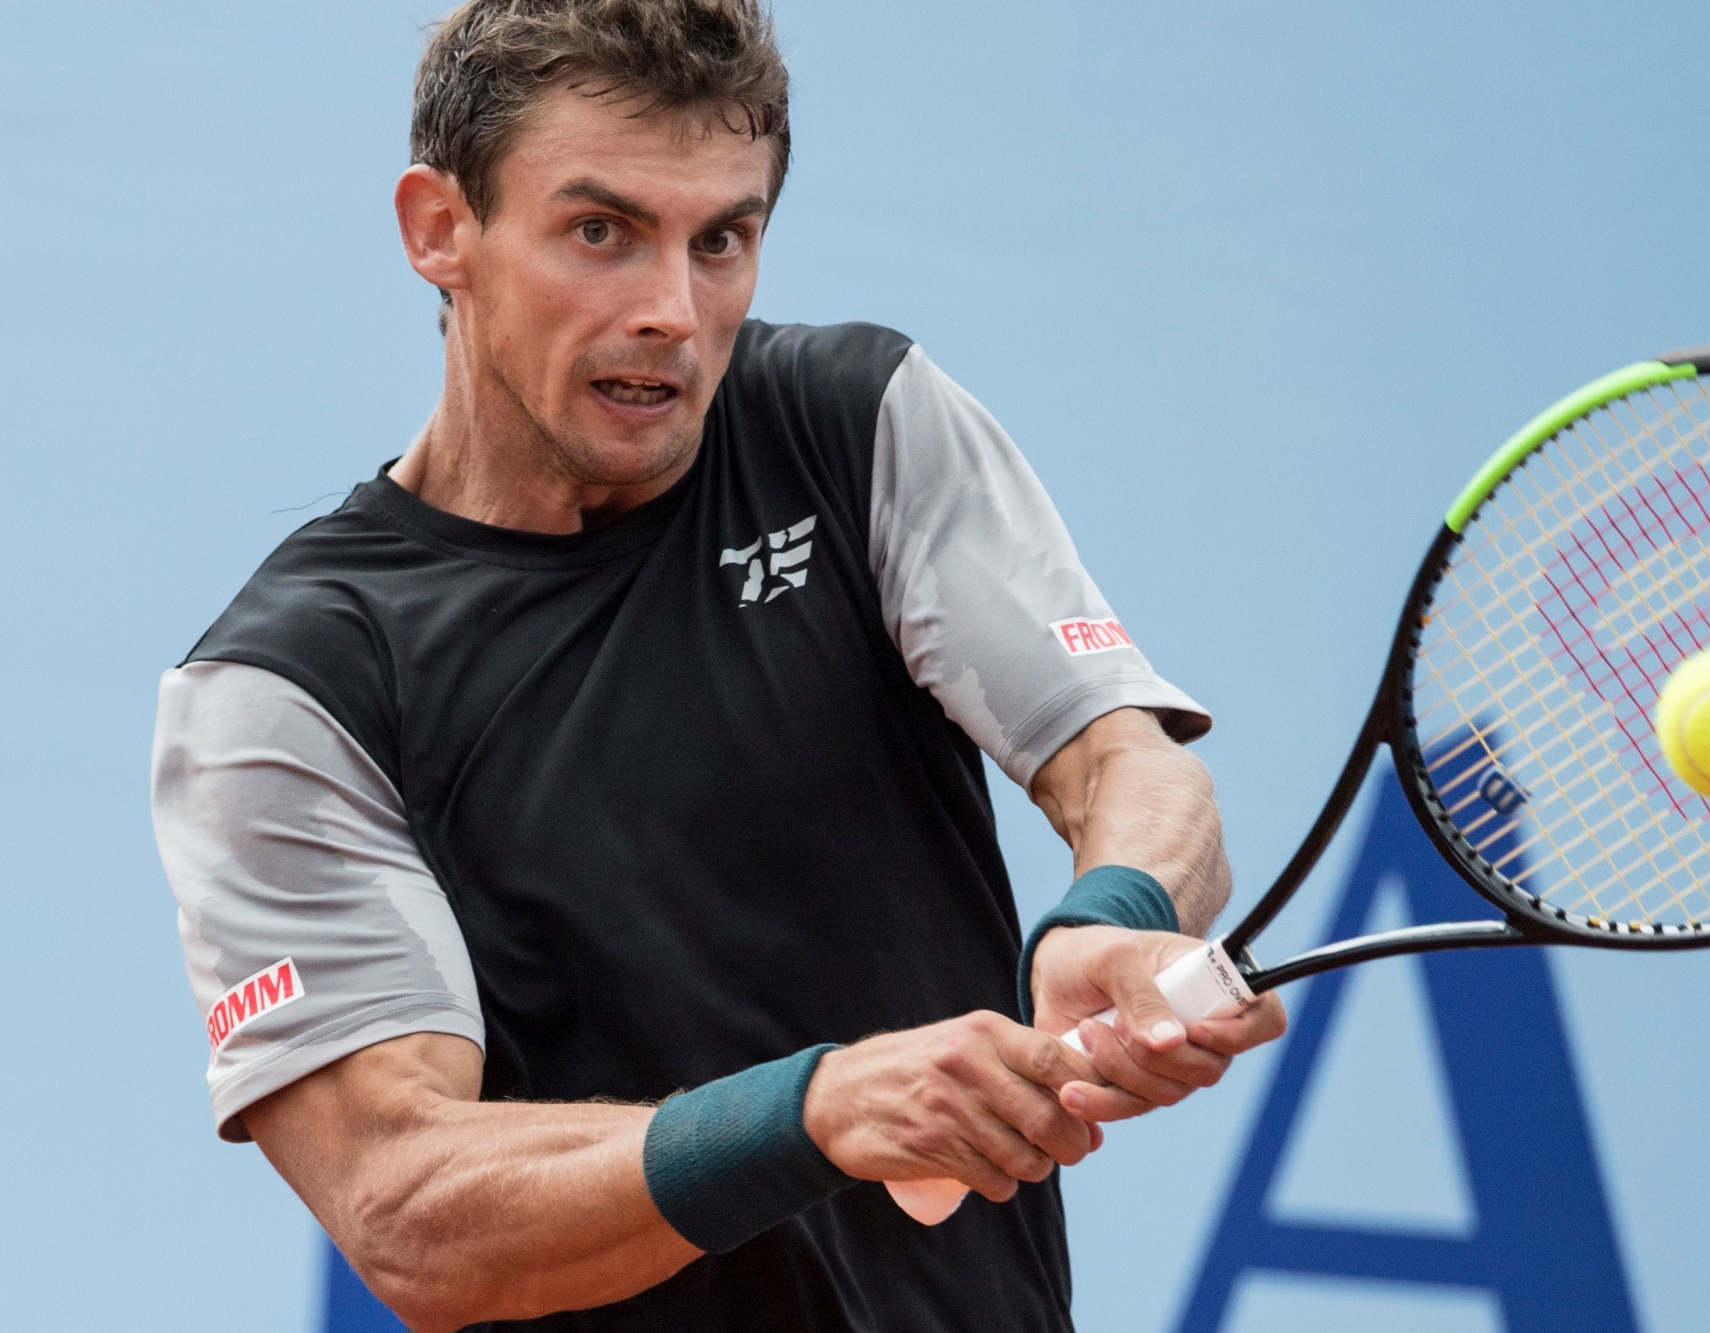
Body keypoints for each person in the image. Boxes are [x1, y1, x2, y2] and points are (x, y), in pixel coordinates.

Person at [150, 2, 1285, 1329]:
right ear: (439, 230)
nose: (675, 313)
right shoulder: (286, 688)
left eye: (723, 239)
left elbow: (1120, 758)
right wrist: (815, 1113)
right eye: (601, 232)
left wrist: (1124, 908)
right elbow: (408, 1207)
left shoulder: (853, 426)